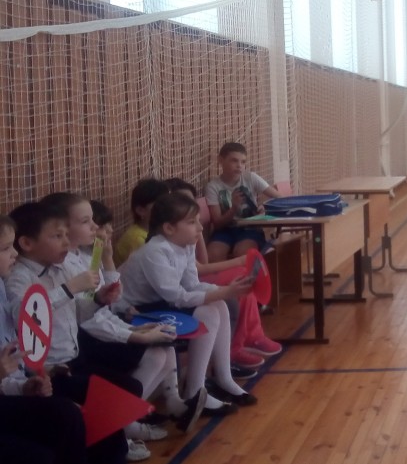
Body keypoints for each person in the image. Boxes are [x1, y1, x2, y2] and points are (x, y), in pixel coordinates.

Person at [39, 193, 204, 437]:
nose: (95, 227)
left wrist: (107, 260)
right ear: (62, 227)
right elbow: (88, 317)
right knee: (154, 353)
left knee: (163, 344)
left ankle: (171, 404)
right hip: (87, 339)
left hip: (101, 326)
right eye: (85, 221)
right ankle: (126, 422)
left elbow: (105, 300)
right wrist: (132, 334)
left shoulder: (85, 257)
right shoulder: (62, 267)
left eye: (93, 220)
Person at [118, 193, 256, 415]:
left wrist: (224, 290)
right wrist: (224, 291)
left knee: (218, 304)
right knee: (208, 312)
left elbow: (192, 284)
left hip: (157, 304)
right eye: (192, 222)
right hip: (131, 312)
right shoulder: (155, 251)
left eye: (198, 221)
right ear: (169, 228)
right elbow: (177, 297)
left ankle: (224, 378)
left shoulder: (184, 245)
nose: (200, 228)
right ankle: (194, 391)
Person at [164, 178, 281, 369]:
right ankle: (235, 349)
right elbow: (198, 271)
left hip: (193, 281)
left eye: (192, 203)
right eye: (183, 202)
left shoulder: (185, 234)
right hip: (182, 292)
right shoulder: (158, 242)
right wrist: (238, 262)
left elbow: (202, 263)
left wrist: (197, 233)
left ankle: (251, 337)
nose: (189, 207)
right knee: (239, 277)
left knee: (241, 275)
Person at [0, 214, 89, 464]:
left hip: (34, 374)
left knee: (67, 415)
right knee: (42, 452)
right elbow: (27, 316)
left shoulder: (1, 287)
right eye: (5, 248)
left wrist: (24, 385)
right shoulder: (16, 280)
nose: (14, 254)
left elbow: (12, 357)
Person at [204, 142, 281, 263]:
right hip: (225, 230)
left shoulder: (250, 177)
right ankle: (225, 276)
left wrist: (265, 206)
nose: (239, 166)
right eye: (234, 161)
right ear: (220, 160)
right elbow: (218, 223)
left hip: (250, 229)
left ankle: (245, 275)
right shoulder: (213, 186)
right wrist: (234, 208)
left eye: (243, 162)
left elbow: (280, 198)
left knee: (243, 252)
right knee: (214, 254)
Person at [115, 179, 171, 267]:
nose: (168, 209)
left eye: (168, 204)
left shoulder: (155, 232)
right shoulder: (137, 239)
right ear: (141, 211)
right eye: (160, 205)